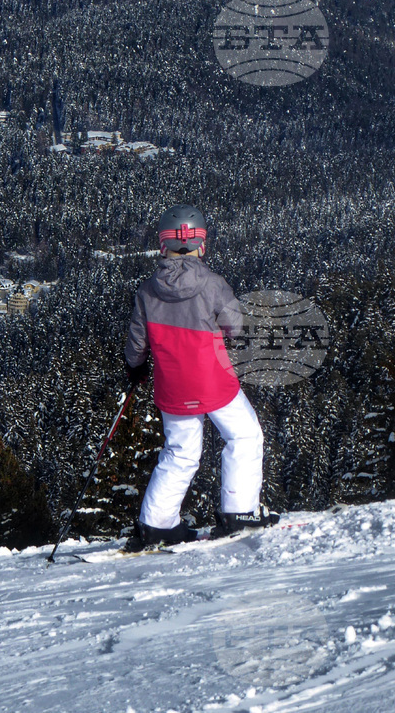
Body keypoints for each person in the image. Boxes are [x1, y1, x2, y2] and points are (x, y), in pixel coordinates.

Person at [124, 204, 278, 547]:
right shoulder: (212, 284)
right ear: (202, 245)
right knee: (244, 436)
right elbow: (235, 327)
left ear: (163, 246)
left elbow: (136, 344)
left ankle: (157, 524)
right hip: (213, 382)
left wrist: (135, 368)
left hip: (172, 385)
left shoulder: (148, 291)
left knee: (180, 453)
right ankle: (240, 512)